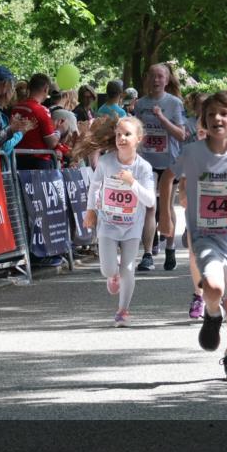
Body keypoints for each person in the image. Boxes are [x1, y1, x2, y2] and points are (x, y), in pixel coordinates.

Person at [159, 91, 227, 381]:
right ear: (203, 121)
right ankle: (211, 311)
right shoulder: (193, 153)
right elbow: (167, 177)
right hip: (205, 235)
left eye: (224, 113)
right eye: (211, 114)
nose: (217, 118)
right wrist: (164, 215)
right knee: (215, 288)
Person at [80, 116, 156, 326]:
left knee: (128, 269)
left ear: (138, 138)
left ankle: (123, 311)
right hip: (108, 223)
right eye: (118, 134)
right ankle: (112, 276)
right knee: (108, 269)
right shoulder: (106, 162)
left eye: (127, 134)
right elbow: (95, 187)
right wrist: (90, 211)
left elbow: (149, 200)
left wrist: (132, 183)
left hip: (132, 226)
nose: (121, 138)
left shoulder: (144, 168)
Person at [135, 63, 187, 271]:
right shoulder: (140, 104)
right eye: (152, 76)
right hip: (147, 162)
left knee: (165, 207)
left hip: (168, 163)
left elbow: (181, 135)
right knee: (149, 206)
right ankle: (147, 254)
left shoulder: (174, 103)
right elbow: (136, 131)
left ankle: (170, 247)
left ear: (167, 80)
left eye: (160, 77)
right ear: (147, 79)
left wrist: (161, 118)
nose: (156, 80)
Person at [11, 73, 61, 170]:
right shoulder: (41, 110)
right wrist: (60, 130)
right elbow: (52, 142)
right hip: (39, 163)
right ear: (46, 89)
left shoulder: (16, 108)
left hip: (18, 160)